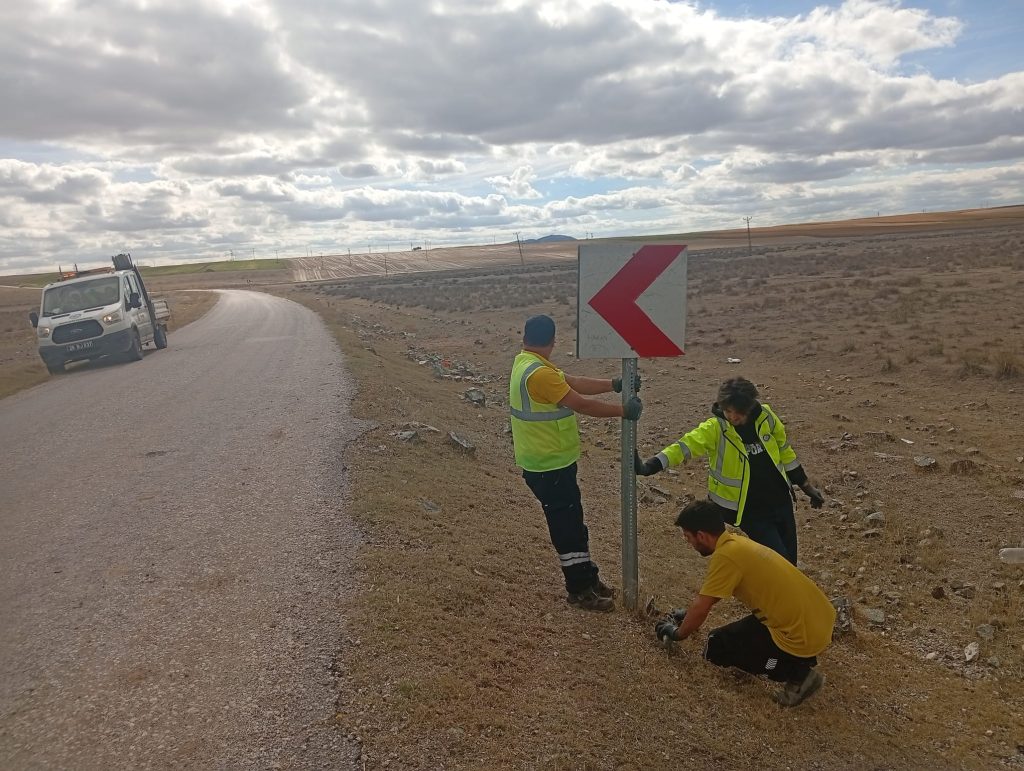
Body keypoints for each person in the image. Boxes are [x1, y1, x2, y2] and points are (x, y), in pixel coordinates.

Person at [510, 314, 643, 612]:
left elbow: (574, 383)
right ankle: (579, 589)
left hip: (549, 463)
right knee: (568, 528)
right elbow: (579, 403)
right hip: (548, 466)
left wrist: (615, 383)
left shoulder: (529, 363)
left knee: (574, 524)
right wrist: (623, 411)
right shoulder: (538, 373)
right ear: (553, 341)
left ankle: (587, 578)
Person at [654, 500, 836, 707]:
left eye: (688, 538)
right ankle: (799, 659)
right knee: (739, 635)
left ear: (701, 536)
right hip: (818, 618)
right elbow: (710, 599)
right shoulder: (737, 543)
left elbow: (703, 606)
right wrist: (689, 617)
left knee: (716, 647)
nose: (689, 544)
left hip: (801, 633)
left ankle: (796, 673)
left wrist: (678, 633)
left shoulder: (726, 557)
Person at [635, 376, 823, 564]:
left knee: (790, 561)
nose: (733, 417)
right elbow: (683, 447)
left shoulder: (766, 417)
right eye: (728, 411)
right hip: (750, 511)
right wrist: (650, 466)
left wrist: (805, 485)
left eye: (738, 412)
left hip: (781, 502)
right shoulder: (716, 429)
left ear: (750, 407)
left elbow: (785, 451)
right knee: (779, 562)